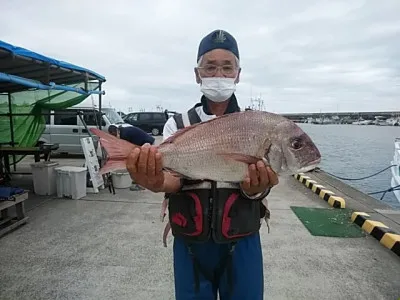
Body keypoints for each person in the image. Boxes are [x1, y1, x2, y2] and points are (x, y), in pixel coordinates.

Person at [126, 29, 279, 300]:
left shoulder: (253, 124)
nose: (218, 74)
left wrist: (258, 188)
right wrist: (153, 180)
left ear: (238, 74)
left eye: (226, 67)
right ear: (197, 74)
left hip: (241, 239)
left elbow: (259, 186)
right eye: (210, 67)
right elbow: (173, 179)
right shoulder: (178, 123)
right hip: (191, 244)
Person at [108, 124, 155, 190]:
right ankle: (138, 181)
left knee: (140, 165)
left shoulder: (124, 135)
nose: (113, 137)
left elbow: (128, 149)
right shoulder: (122, 131)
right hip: (144, 142)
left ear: (115, 131)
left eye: (113, 135)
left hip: (147, 144)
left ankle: (141, 185)